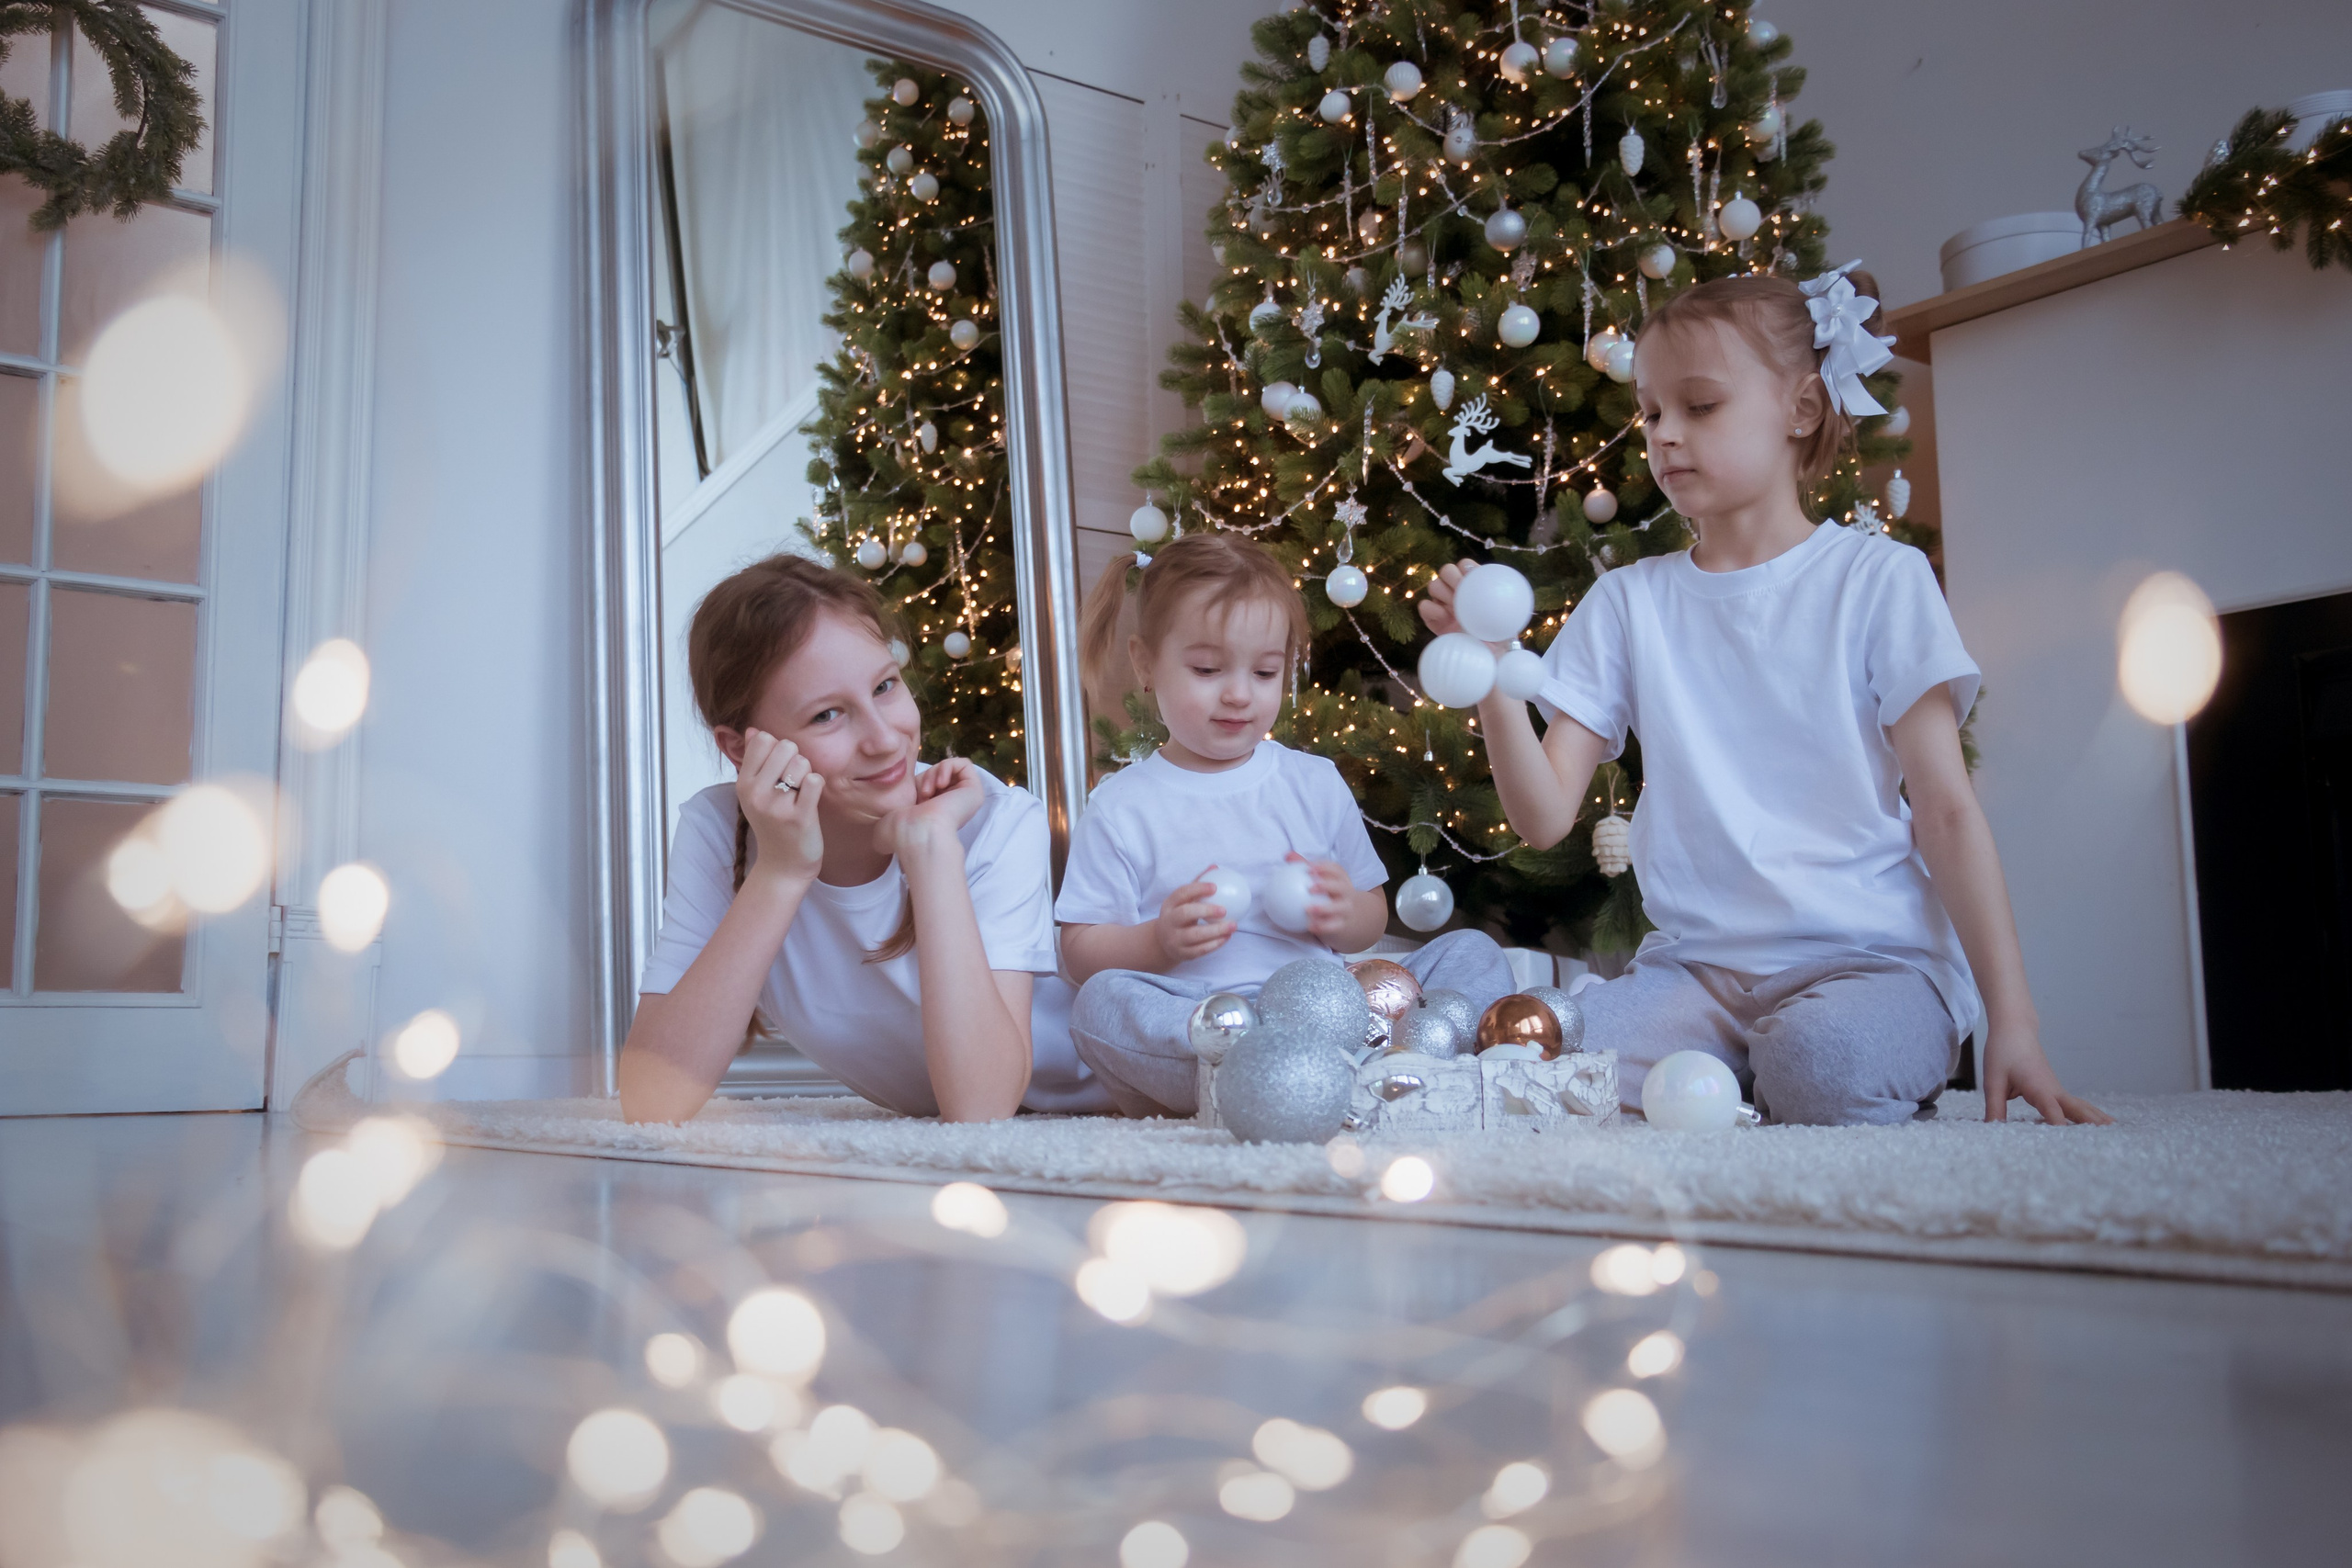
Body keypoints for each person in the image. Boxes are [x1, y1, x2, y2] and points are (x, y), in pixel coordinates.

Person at [1422, 264, 2110, 1128]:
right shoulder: (1629, 603)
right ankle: (1744, 1072)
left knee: (1817, 1065)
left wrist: (2015, 1019)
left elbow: (1947, 811)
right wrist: (1490, 679)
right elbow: (1543, 819)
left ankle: (1792, 1064)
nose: (1665, 435)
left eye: (1699, 406)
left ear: (1803, 408)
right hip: (1695, 976)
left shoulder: (1878, 581)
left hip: (1870, 966)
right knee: (1553, 1071)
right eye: (1651, 411)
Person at [618, 554, 1106, 1124]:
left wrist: (930, 852)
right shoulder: (717, 833)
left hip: (1132, 1097)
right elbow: (652, 1100)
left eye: (885, 686)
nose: (884, 739)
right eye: (827, 715)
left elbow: (982, 1107)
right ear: (742, 749)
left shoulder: (989, 820)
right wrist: (780, 873)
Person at [1059, 530, 1516, 1117]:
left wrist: (1343, 912)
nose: (1238, 695)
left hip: (1339, 1005)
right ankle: (1292, 1077)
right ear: (1145, 663)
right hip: (1208, 1016)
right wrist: (1157, 941)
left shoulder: (1313, 781)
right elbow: (1079, 954)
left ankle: (1345, 1069)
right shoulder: (1122, 804)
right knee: (1100, 1006)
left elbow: (1369, 919)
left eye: (1265, 673)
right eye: (1206, 668)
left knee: (1473, 953)